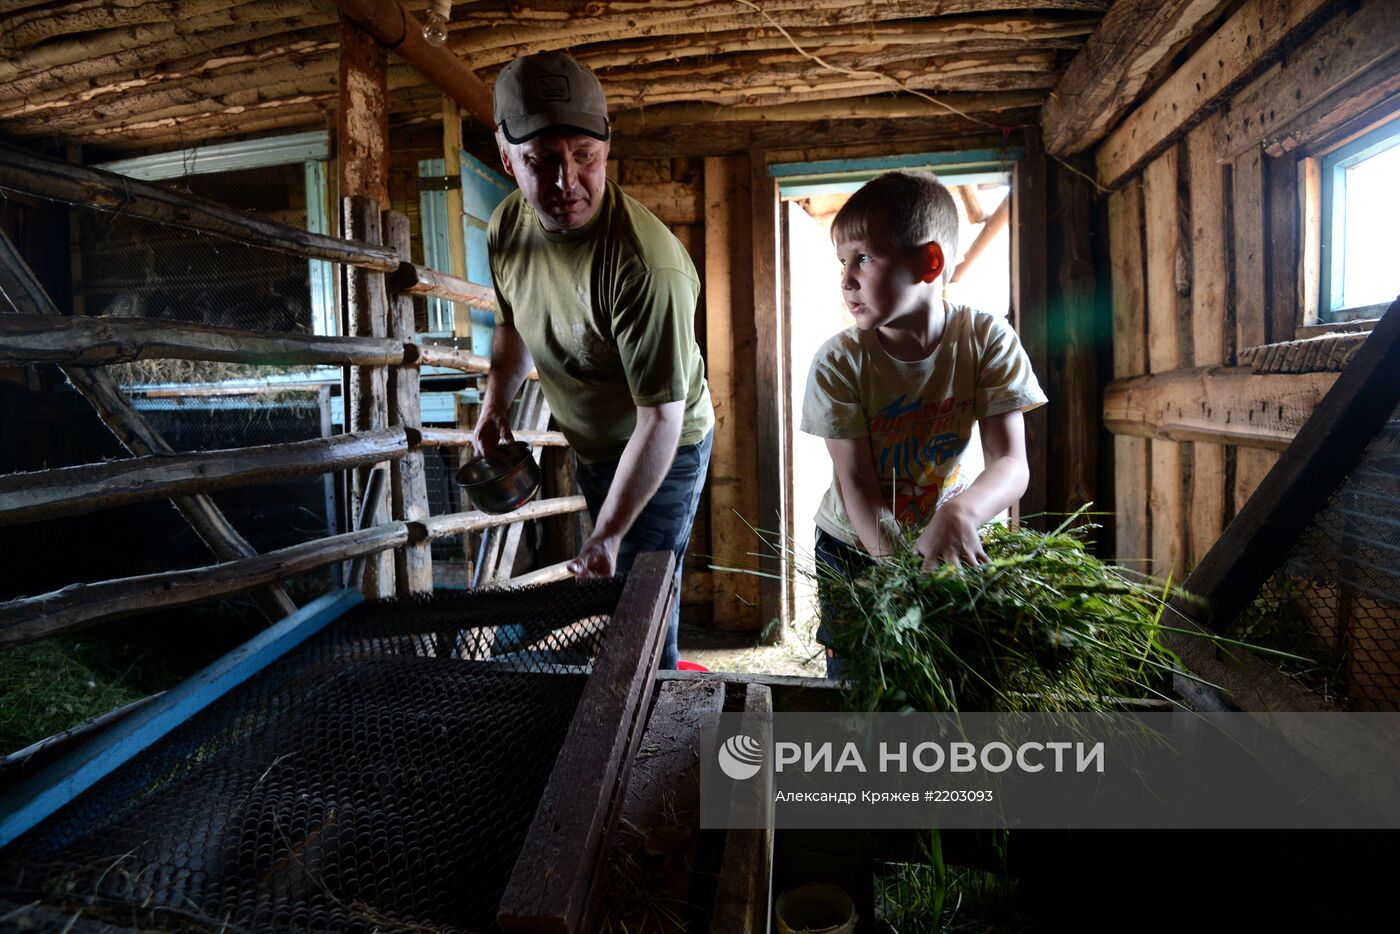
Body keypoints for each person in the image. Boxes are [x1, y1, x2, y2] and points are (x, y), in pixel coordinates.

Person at [474, 51, 714, 669]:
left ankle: (647, 723)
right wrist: (495, 401)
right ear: (507, 159)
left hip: (667, 443)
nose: (566, 183)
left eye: (584, 157)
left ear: (607, 147)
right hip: (596, 444)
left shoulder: (643, 265)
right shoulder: (507, 226)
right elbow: (511, 322)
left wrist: (604, 536)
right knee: (615, 585)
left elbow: (660, 420)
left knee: (638, 595)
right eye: (541, 162)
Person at [799, 171, 1047, 679]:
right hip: (855, 547)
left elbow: (1010, 463)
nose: (846, 280)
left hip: (953, 539)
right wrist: (897, 568)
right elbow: (857, 483)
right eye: (841, 263)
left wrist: (963, 512)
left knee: (952, 678)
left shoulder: (986, 340)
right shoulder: (839, 364)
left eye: (864, 258)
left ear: (929, 262)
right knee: (864, 680)